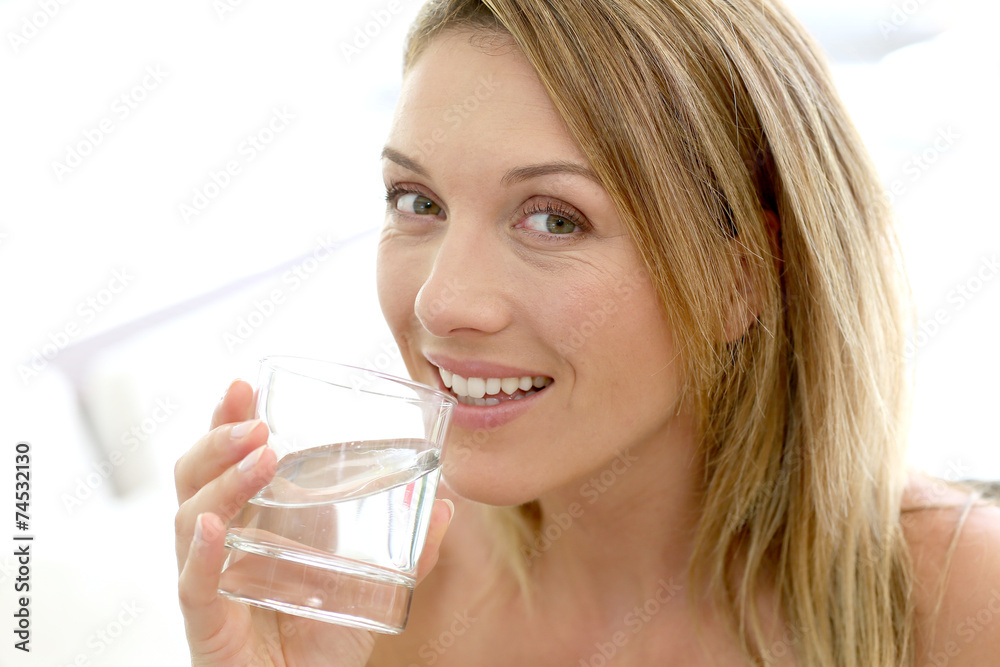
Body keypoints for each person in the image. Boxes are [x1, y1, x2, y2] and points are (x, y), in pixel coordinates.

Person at [174, 0, 1000, 664]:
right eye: (418, 202)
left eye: (553, 219)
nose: (440, 301)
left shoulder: (963, 603)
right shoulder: (364, 589)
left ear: (742, 280)